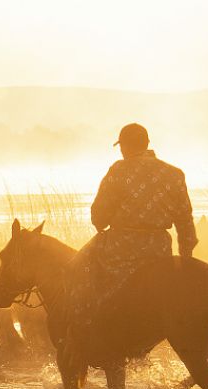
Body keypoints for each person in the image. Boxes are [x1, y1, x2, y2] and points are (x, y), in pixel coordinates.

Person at [66, 123, 197, 332]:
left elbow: (99, 214)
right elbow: (185, 218)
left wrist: (101, 224)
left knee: (77, 267)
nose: (121, 151)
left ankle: (86, 330)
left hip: (121, 247)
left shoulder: (119, 170)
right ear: (146, 144)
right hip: (160, 249)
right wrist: (185, 254)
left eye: (121, 147)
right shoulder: (175, 174)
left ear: (125, 146)